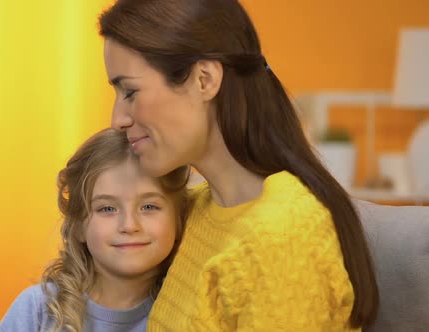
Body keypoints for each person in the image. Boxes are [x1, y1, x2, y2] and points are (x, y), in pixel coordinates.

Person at [99, 0, 379, 331]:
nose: (118, 119)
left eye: (130, 91)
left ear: (204, 80)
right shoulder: (199, 209)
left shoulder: (281, 238)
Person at [0, 128, 189, 332]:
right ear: (78, 226)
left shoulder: (192, 313)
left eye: (149, 207)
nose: (130, 226)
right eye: (107, 208)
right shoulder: (38, 311)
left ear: (179, 219)